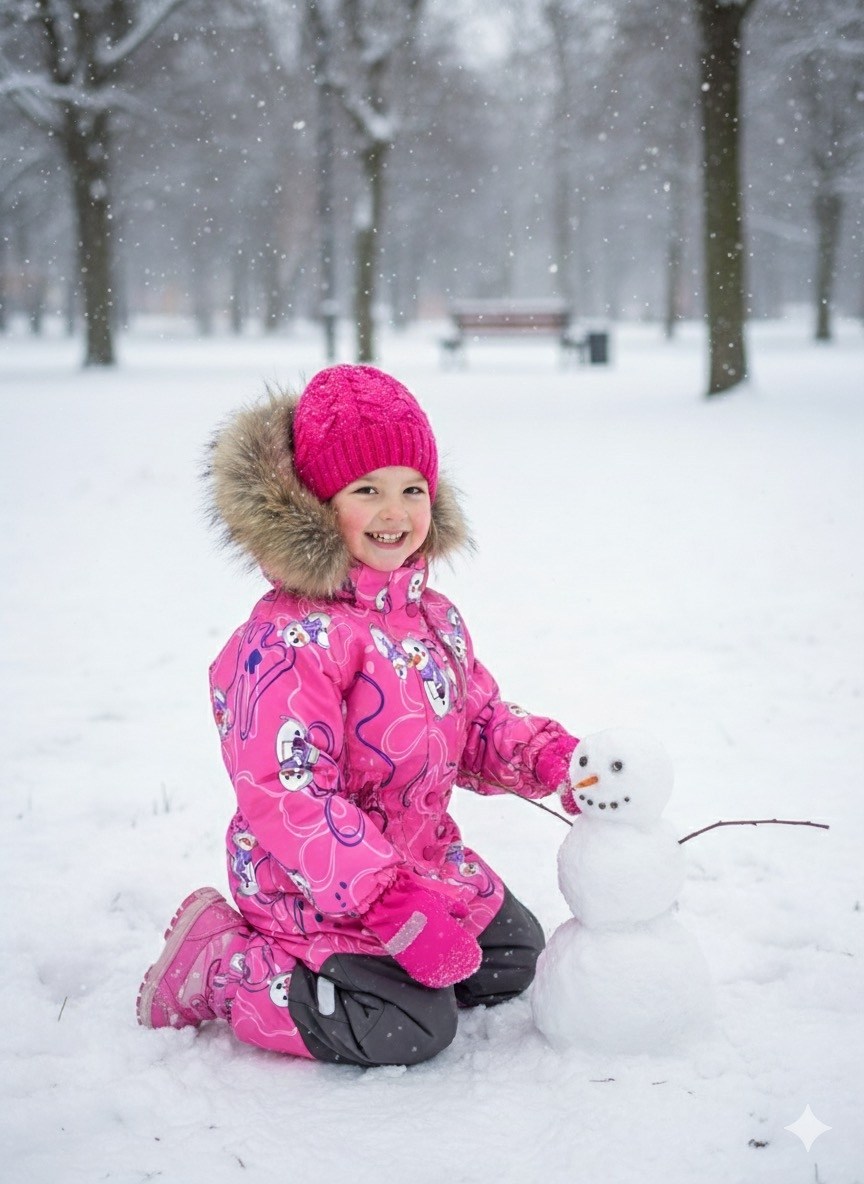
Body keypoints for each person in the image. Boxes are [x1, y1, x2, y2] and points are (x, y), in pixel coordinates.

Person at [136, 364, 579, 1066]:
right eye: (366, 491)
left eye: (411, 490)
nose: (394, 513)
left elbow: (476, 721)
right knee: (406, 1028)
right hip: (313, 881)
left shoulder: (429, 618)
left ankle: (389, 957)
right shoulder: (288, 640)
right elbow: (288, 797)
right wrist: (385, 900)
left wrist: (557, 760)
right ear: (317, 504)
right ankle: (225, 966)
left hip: (421, 858)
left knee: (509, 960)